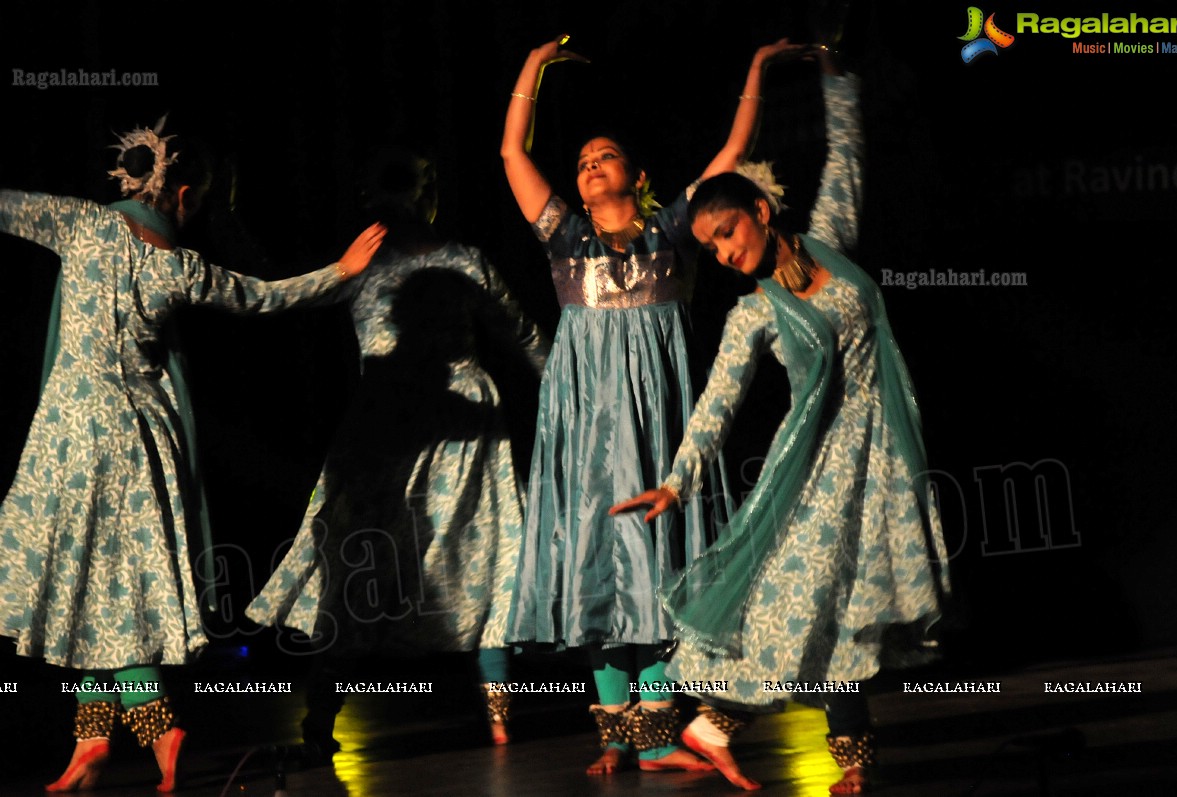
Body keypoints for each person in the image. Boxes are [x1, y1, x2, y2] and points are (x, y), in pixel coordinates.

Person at [0, 117, 385, 792]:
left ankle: (155, 726)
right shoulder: (178, 267)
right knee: (103, 593)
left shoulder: (78, 223)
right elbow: (266, 297)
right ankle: (91, 742)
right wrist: (341, 271)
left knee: (94, 590)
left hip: (75, 430)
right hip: (140, 438)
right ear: (183, 197)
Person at [611, 53, 950, 794]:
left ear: (761, 211)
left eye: (727, 233)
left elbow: (848, 151)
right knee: (815, 609)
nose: (726, 255)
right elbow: (716, 404)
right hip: (818, 471)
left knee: (850, 613)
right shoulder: (752, 312)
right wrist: (675, 481)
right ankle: (730, 724)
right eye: (710, 249)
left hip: (882, 457)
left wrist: (835, 73)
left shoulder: (829, 234)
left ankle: (738, 730)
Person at [500, 35, 809, 775]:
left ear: (638, 177)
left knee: (656, 563)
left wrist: (757, 67)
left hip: (656, 419)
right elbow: (513, 153)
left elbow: (734, 150)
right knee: (597, 564)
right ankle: (618, 734)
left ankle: (657, 734)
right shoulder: (565, 239)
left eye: (604, 154)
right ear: (577, 190)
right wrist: (531, 70)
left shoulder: (673, 232)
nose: (589, 163)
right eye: (581, 162)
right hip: (583, 422)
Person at [245, 147, 548, 761]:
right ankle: (319, 720)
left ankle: (498, 718)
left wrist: (575, 392)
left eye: (413, 189)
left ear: (429, 197)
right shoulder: (360, 264)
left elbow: (520, 334)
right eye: (394, 190)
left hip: (464, 430)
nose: (405, 203)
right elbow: (281, 293)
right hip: (387, 426)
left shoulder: (464, 261)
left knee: (489, 560)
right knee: (358, 568)